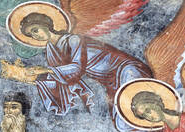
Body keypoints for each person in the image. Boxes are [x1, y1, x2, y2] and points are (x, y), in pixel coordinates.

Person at [12, 8, 153, 124]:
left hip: (123, 69)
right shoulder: (51, 51)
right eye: (31, 35)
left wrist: (46, 70)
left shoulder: (73, 39)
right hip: (109, 81)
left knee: (136, 104)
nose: (36, 36)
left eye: (36, 30)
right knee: (121, 121)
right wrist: (36, 78)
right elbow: (62, 79)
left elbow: (77, 68)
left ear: (45, 25)